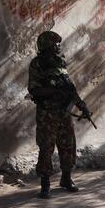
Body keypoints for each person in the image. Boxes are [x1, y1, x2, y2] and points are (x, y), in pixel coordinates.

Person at [28, 31, 80, 199]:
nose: (58, 46)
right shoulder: (37, 64)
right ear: (47, 45)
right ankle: (45, 184)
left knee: (68, 144)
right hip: (47, 114)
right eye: (55, 43)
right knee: (46, 147)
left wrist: (78, 102)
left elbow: (69, 86)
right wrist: (55, 91)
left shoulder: (60, 63)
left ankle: (66, 178)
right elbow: (34, 89)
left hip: (63, 112)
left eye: (58, 43)